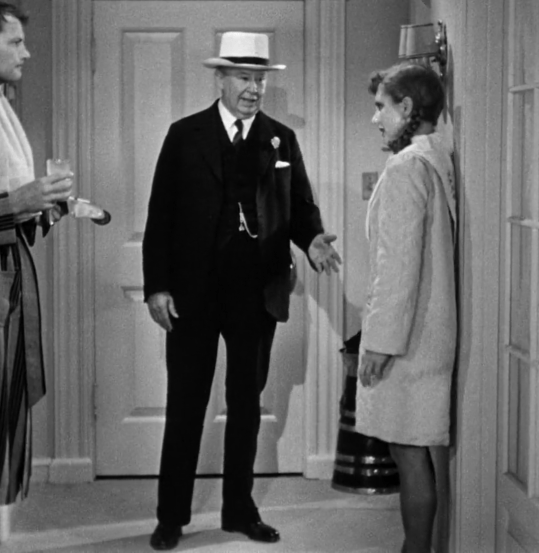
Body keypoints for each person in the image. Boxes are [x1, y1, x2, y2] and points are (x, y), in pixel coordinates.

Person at [142, 31, 342, 550]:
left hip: (256, 292)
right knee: (186, 405)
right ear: (221, 79)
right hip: (192, 293)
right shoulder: (184, 135)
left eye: (259, 79)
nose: (253, 88)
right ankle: (171, 517)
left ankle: (238, 510)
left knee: (246, 407)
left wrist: (311, 240)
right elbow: (160, 215)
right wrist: (157, 286)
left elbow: (300, 206)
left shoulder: (280, 139)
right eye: (243, 78)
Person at [0, 0, 73, 534]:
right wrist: (24, 199)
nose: (26, 53)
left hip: (7, 272)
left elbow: (8, 208)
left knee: (8, 402)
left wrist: (46, 207)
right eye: (16, 42)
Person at [356, 62, 457, 553]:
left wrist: (379, 344)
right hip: (427, 328)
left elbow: (397, 265)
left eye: (382, 107)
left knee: (408, 449)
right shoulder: (436, 159)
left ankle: (415, 550)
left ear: (408, 107)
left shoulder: (406, 168)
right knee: (413, 447)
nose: (376, 118)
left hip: (411, 336)